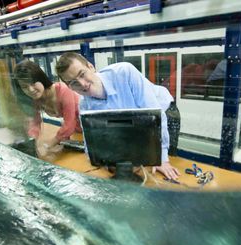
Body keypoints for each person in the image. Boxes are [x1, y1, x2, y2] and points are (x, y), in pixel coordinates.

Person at [56, 52, 181, 180]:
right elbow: (91, 139)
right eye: (73, 83)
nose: (82, 84)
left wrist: (162, 159)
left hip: (164, 110)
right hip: (136, 118)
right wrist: (99, 160)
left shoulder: (125, 73)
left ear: (91, 67)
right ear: (68, 87)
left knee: (162, 166)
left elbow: (155, 116)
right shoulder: (85, 105)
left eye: (82, 74)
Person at [13, 60, 82, 155]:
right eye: (25, 87)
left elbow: (69, 124)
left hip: (92, 128)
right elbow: (35, 123)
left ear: (40, 78)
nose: (31, 89)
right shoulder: (36, 99)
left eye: (33, 83)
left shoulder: (64, 91)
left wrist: (51, 144)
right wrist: (32, 143)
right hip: (77, 132)